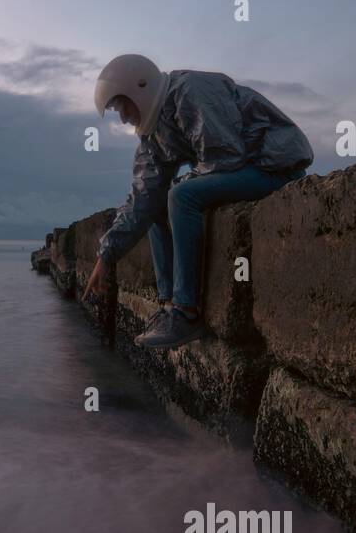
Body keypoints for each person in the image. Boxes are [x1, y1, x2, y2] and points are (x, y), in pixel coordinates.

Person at [82, 54, 313, 349]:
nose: (124, 117)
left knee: (180, 195)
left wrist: (182, 184)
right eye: (117, 110)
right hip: (241, 166)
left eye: (123, 105)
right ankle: (168, 306)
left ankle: (186, 312)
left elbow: (225, 155)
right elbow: (143, 198)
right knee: (156, 203)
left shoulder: (190, 91)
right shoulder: (152, 136)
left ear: (141, 87)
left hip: (274, 166)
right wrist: (106, 255)